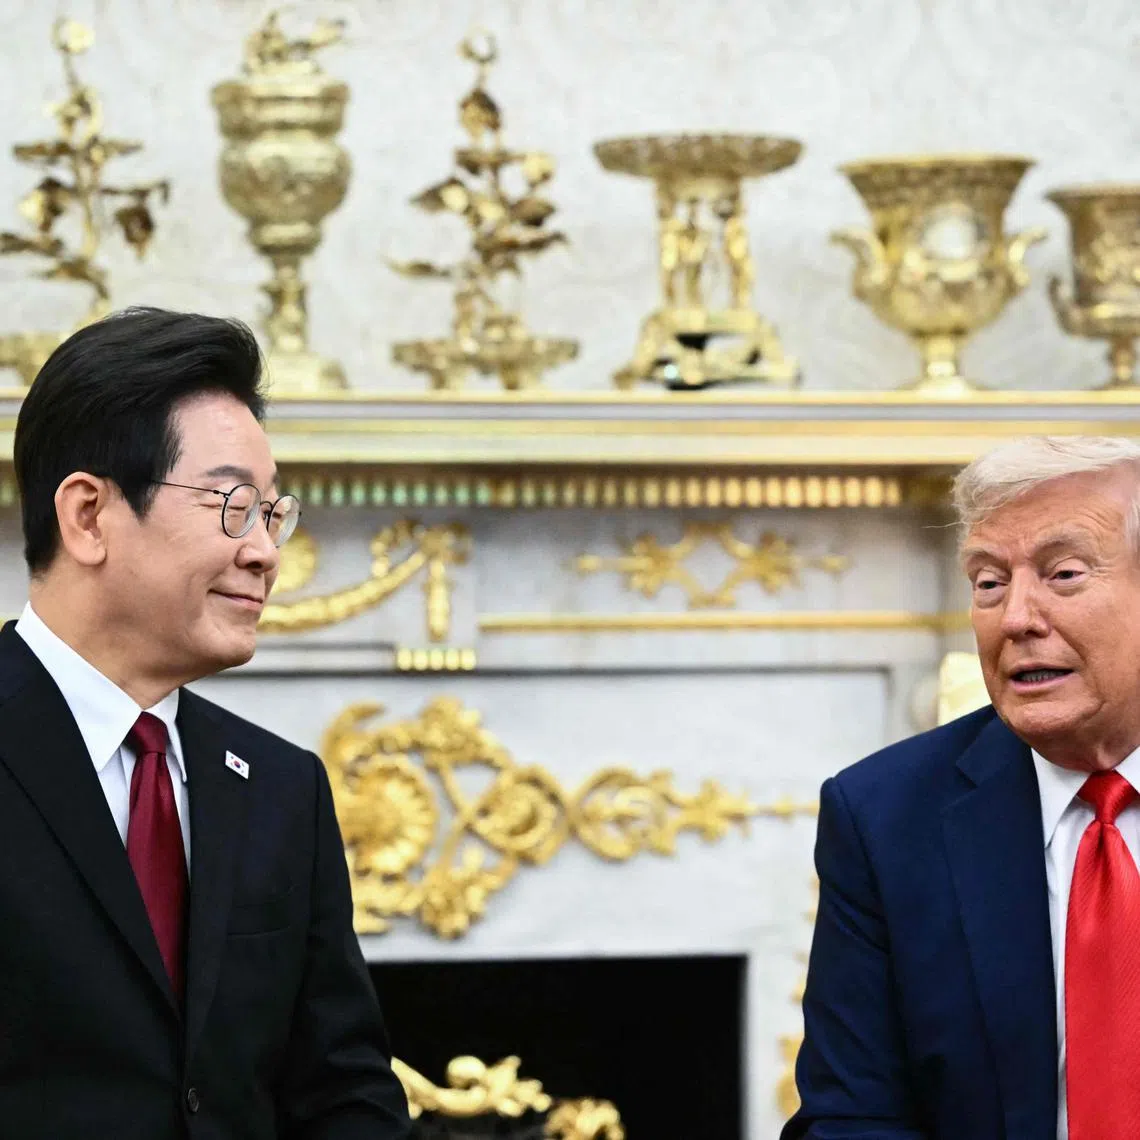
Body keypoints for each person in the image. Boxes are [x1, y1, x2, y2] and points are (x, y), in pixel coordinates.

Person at [0, 308, 412, 1139]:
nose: (264, 550)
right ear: (87, 516)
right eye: (231, 504)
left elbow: (344, 1090)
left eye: (272, 513)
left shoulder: (283, 789)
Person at [783, 435, 1140, 1140]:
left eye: (1063, 574)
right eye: (988, 582)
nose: (1016, 618)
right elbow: (852, 1117)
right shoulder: (885, 819)